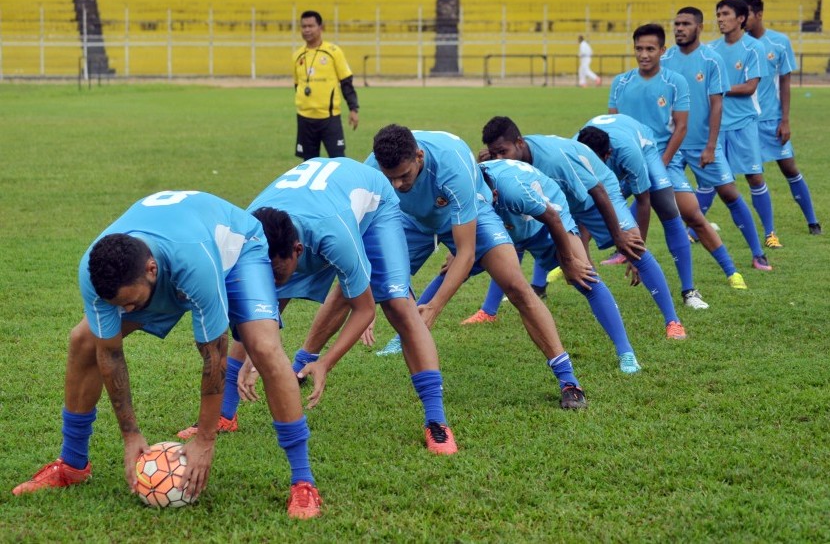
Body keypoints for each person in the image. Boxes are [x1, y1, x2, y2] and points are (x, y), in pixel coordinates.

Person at [12, 191, 322, 519]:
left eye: (130, 303)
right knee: (83, 341)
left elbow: (213, 357)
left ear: (150, 270)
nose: (126, 312)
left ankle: (303, 481)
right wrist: (130, 434)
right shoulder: (96, 272)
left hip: (236, 252)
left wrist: (205, 439)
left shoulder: (194, 264)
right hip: (168, 256)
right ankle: (72, 464)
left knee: (263, 346)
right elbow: (110, 353)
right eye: (119, 305)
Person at [179, 158, 458, 455]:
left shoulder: (332, 234)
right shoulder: (247, 234)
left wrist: (326, 362)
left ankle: (437, 422)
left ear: (298, 251)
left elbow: (364, 309)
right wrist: (253, 352)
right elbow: (251, 310)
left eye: (275, 272)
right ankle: (225, 414)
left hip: (372, 208)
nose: (269, 282)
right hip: (316, 204)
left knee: (397, 305)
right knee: (256, 302)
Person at [368, 125, 588, 409]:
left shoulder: (451, 163)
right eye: (390, 178)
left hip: (470, 211)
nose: (397, 185)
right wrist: (368, 302)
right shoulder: (373, 168)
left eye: (404, 176)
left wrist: (434, 307)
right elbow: (365, 242)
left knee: (517, 287)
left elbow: (466, 253)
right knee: (372, 279)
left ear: (419, 157)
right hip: (414, 220)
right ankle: (302, 364)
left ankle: (568, 380)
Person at [477, 117, 688, 341]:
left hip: (598, 195)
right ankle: (489, 310)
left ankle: (673, 322)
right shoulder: (507, 164)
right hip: (562, 206)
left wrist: (618, 238)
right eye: (494, 153)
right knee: (516, 236)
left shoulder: (554, 158)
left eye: (502, 151)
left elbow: (598, 190)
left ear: (519, 143)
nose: (499, 158)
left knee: (633, 246)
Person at [465, 158, 642, 374]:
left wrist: (568, 262)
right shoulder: (468, 182)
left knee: (585, 277)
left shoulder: (511, 188)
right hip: (512, 215)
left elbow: (553, 218)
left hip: (550, 212)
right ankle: (416, 328)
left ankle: (626, 352)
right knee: (454, 269)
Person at [578, 116, 747, 295]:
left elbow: (643, 201)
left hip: (646, 151)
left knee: (672, 210)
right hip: (616, 148)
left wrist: (637, 255)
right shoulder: (573, 151)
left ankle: (697, 287)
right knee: (584, 208)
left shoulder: (629, 153)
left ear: (608, 154)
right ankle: (554, 275)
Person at [662, 7, 773, 271]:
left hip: (702, 144)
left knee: (729, 193)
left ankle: (758, 254)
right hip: (671, 144)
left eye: (685, 24)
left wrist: (711, 145)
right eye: (676, 23)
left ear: (699, 27)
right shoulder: (665, 59)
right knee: (647, 190)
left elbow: (717, 105)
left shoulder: (711, 60)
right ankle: (625, 251)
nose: (679, 28)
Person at [700, 0, 778, 249]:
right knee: (709, 179)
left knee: (754, 177)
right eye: (718, 14)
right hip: (716, 124)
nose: (720, 18)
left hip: (743, 123)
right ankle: (695, 228)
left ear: (741, 18)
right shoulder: (710, 49)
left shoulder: (753, 48)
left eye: (725, 14)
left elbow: (749, 87)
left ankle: (770, 233)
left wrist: (718, 89)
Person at [741, 0, 822, 235]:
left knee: (789, 168)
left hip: (772, 120)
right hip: (746, 122)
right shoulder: (738, 45)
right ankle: (769, 232)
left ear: (759, 14)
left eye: (746, 14)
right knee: (751, 177)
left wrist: (785, 120)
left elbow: (785, 82)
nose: (742, 19)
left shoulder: (779, 42)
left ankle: (812, 221)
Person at [292, 10, 359, 160]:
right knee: (308, 164)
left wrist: (353, 109)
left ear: (320, 27)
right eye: (303, 26)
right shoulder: (297, 56)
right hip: (304, 118)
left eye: (311, 26)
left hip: (329, 118)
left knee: (338, 161)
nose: (307, 30)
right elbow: (297, 86)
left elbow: (346, 82)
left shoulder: (333, 52)